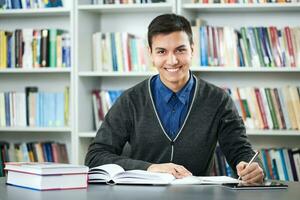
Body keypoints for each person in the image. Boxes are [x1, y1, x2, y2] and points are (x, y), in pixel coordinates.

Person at [85, 13, 264, 183]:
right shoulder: (131, 100)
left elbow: (240, 152)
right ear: (151, 55)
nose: (172, 61)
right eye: (162, 51)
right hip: (141, 196)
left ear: (192, 50)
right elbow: (95, 156)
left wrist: (250, 167)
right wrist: (150, 168)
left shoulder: (218, 100)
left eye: (180, 50)